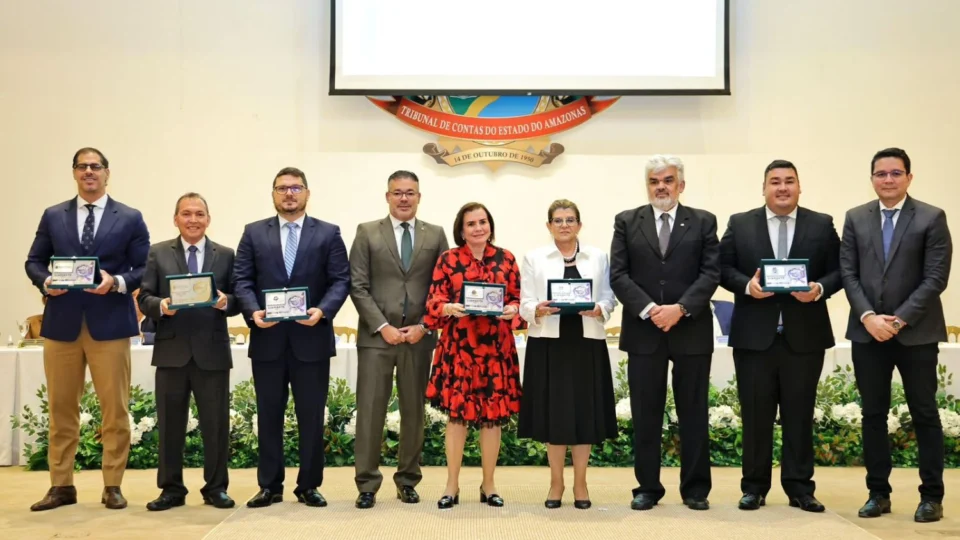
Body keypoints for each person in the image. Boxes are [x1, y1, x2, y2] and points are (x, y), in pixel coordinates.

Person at [24, 147, 150, 511]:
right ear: (74, 173)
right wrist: (46, 281)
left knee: (115, 409)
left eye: (96, 166)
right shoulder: (53, 215)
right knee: (62, 409)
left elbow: (145, 267)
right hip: (62, 323)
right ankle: (61, 485)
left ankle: (112, 484)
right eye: (83, 167)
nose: (89, 172)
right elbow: (34, 260)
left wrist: (118, 281)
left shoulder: (129, 217)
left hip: (109, 323)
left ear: (107, 173)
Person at [718, 160, 841, 512]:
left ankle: (800, 487)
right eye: (775, 181)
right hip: (755, 338)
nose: (782, 187)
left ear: (800, 187)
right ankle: (754, 487)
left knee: (799, 414)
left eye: (789, 181)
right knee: (755, 414)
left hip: (804, 337)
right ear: (764, 188)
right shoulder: (740, 224)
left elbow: (841, 270)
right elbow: (722, 268)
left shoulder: (821, 223)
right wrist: (747, 286)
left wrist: (818, 288)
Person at [840, 147, 952, 523]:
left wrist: (899, 319)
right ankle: (878, 493)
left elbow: (936, 278)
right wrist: (870, 317)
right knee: (873, 414)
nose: (888, 180)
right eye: (881, 173)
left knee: (924, 414)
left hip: (916, 334)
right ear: (872, 178)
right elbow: (848, 274)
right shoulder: (856, 218)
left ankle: (931, 496)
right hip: (867, 333)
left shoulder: (931, 217)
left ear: (909, 177)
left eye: (895, 173)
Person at [233, 167, 351, 509]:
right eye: (282, 188)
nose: (289, 193)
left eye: (296, 188)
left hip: (310, 339)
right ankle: (269, 486)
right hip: (268, 340)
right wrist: (253, 312)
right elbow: (242, 280)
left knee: (311, 417)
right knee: (268, 415)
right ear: (273, 194)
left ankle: (309, 485)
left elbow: (340, 280)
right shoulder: (253, 233)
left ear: (307, 193)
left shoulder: (328, 233)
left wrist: (323, 311)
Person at [610, 154, 720, 511]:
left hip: (690, 329)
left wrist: (680, 309)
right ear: (648, 186)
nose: (662, 186)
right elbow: (619, 275)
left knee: (693, 412)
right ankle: (647, 487)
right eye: (655, 181)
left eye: (668, 180)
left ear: (681, 185)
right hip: (645, 331)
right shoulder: (628, 221)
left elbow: (710, 273)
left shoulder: (703, 222)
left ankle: (696, 489)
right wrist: (649, 310)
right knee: (646, 412)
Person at [349, 170, 449, 509]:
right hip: (377, 339)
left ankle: (408, 479)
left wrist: (424, 326)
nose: (404, 198)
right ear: (387, 196)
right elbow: (357, 285)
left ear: (419, 197)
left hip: (418, 339)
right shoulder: (367, 232)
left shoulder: (435, 234)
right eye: (397, 192)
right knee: (371, 411)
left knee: (413, 412)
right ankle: (367, 483)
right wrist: (382, 326)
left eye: (410, 192)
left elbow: (443, 287)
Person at [137, 192, 240, 511]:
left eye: (199, 214)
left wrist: (226, 302)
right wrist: (161, 307)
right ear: (176, 218)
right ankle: (171, 489)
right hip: (171, 352)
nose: (192, 219)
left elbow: (239, 297)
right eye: (186, 213)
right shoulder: (157, 253)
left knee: (216, 425)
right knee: (169, 425)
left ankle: (216, 488)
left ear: (208, 219)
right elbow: (144, 298)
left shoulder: (225, 254)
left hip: (212, 352)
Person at [518, 199, 618, 510]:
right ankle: (556, 482)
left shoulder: (598, 256)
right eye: (558, 220)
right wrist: (537, 309)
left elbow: (609, 296)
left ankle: (581, 483)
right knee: (554, 414)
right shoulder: (534, 257)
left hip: (586, 341)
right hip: (549, 343)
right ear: (549, 226)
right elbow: (524, 302)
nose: (564, 225)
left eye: (570, 219)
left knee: (584, 413)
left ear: (579, 224)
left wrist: (601, 308)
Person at [423, 202, 522, 509]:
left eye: (483, 222)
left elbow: (519, 298)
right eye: (471, 224)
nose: (478, 228)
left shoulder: (507, 259)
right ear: (461, 230)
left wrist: (513, 310)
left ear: (490, 225)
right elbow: (434, 301)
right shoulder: (448, 259)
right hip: (459, 349)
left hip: (496, 349)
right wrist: (447, 307)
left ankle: (489, 484)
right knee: (457, 418)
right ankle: (451, 486)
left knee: (492, 420)